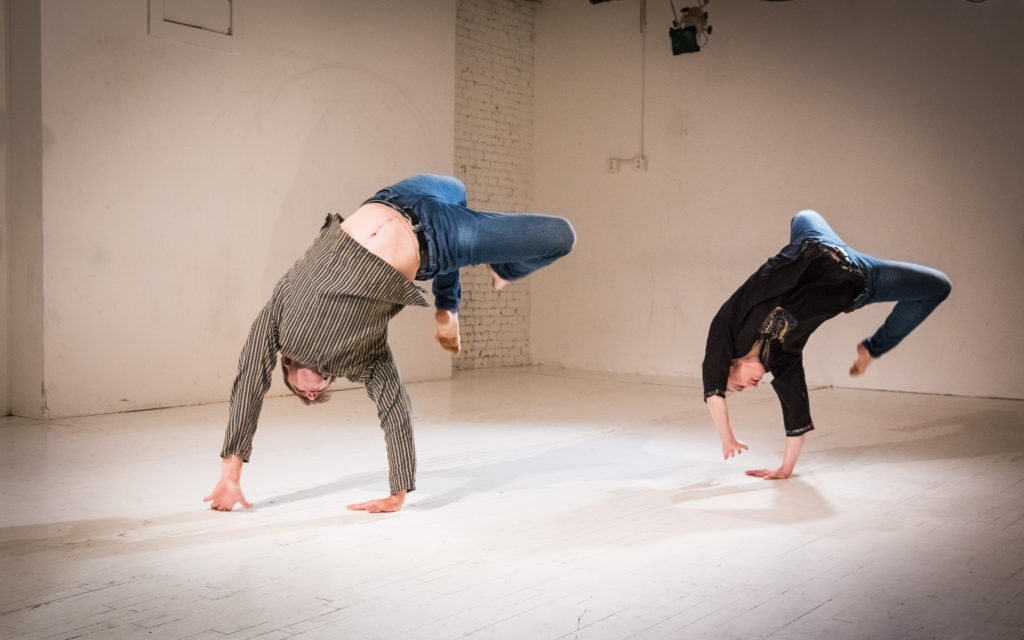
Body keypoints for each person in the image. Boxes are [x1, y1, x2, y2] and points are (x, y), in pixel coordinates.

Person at [204, 174, 576, 513]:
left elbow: (249, 382)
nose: (313, 394)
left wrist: (230, 475)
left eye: (304, 395)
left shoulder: (276, 318)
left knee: (458, 189)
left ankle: (448, 302)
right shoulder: (363, 357)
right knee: (561, 236)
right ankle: (500, 271)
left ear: (286, 367)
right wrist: (398, 492)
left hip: (395, 197)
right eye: (318, 396)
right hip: (439, 239)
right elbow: (395, 411)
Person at [702, 209, 950, 480]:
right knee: (939, 286)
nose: (750, 388)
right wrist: (785, 469)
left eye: (737, 386)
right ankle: (874, 347)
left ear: (729, 363)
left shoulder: (729, 323)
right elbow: (795, 414)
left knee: (802, 215)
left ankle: (807, 240)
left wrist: (727, 439)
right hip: (861, 279)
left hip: (815, 241)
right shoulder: (783, 358)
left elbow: (714, 394)